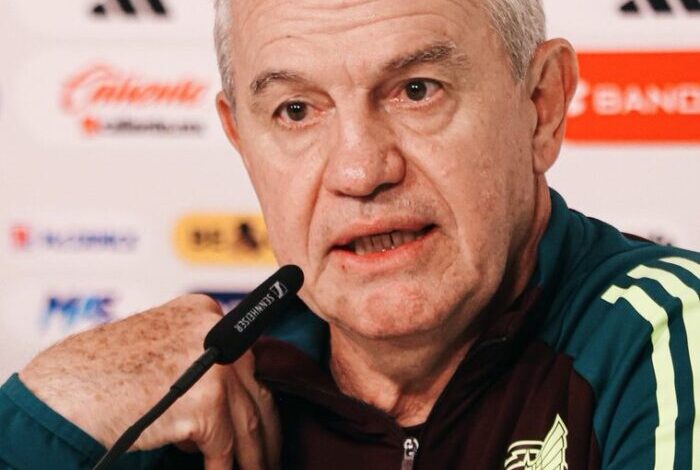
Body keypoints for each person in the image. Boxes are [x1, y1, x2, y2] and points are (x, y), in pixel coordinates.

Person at [1, 0, 698, 468]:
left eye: (417, 89)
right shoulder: (194, 400)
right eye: (296, 110)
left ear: (541, 106)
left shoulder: (664, 337)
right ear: (242, 142)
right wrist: (53, 405)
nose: (361, 171)